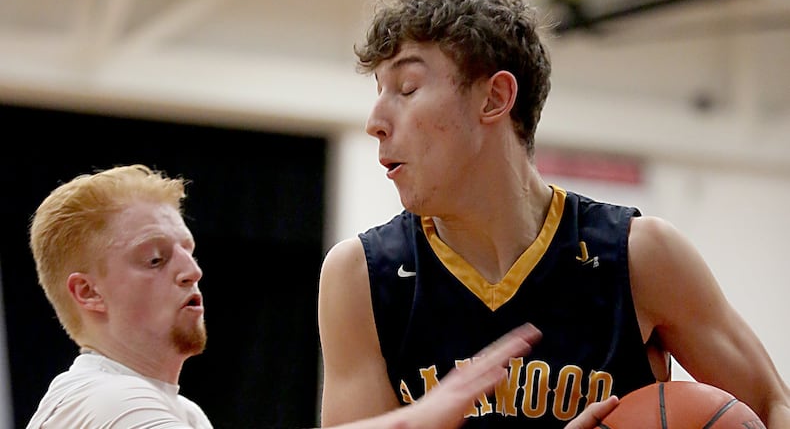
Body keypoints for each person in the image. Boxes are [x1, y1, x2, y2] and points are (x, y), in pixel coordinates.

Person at [316, 0, 790, 428]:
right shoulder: (361, 277)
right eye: (378, 91)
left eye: (407, 88)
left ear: (495, 98)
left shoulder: (640, 256)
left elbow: (774, 406)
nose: (375, 122)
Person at [26, 164, 616, 429]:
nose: (190, 272)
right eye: (155, 259)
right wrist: (413, 424)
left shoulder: (174, 411)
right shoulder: (109, 404)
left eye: (188, 251)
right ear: (88, 293)